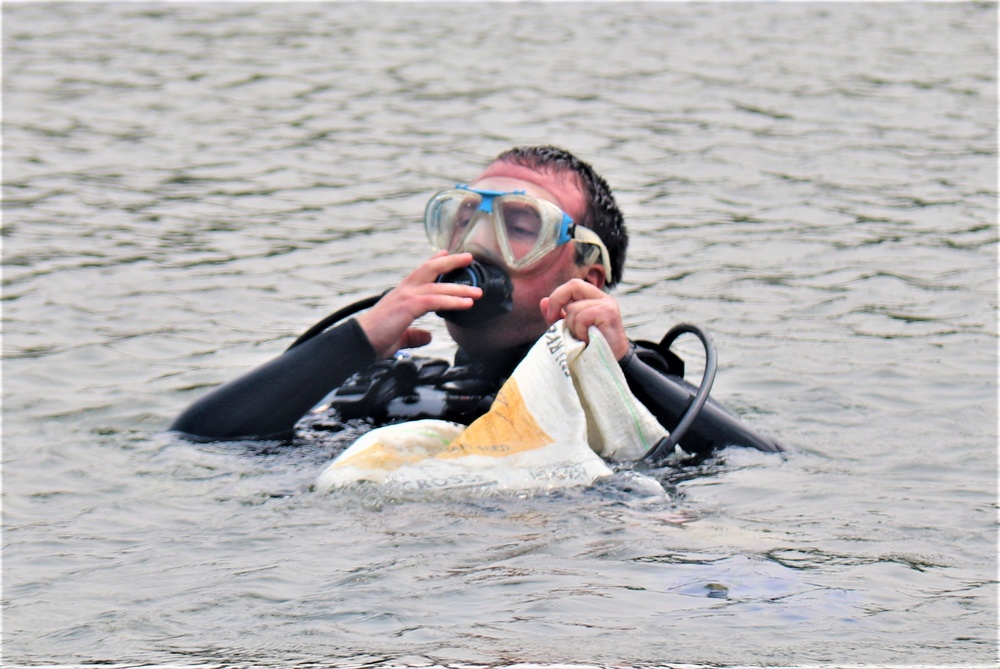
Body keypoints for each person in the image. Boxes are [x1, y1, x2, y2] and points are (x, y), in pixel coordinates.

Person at [170, 146, 783, 460]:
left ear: (588, 277)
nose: (476, 244)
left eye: (521, 225)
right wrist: (358, 338)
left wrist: (620, 366)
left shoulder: (633, 398)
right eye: (463, 218)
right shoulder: (387, 384)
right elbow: (199, 441)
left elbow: (761, 468)